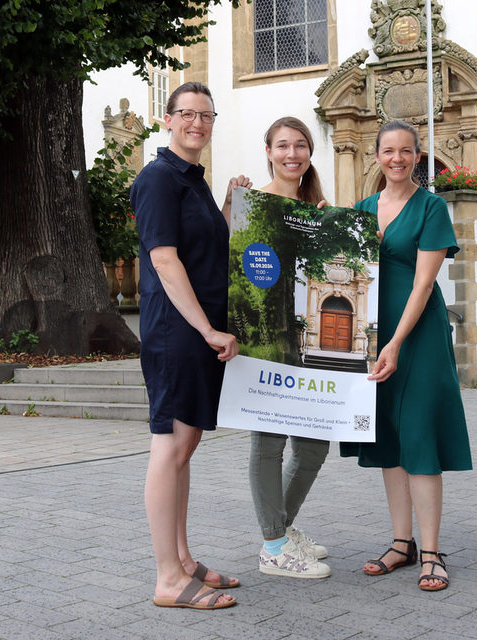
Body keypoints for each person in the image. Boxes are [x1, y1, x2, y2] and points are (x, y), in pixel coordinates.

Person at [130, 81, 251, 610]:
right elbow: (164, 260)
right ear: (167, 119)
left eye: (206, 115)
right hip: (176, 332)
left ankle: (182, 560)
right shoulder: (157, 178)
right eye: (187, 114)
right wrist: (206, 330)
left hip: (197, 329)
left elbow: (206, 250)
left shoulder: (192, 180)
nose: (197, 123)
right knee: (170, 448)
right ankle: (167, 580)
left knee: (186, 449)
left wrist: (227, 204)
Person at [340, 119, 472, 592]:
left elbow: (422, 283)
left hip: (415, 336)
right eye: (387, 151)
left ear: (418, 157)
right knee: (389, 439)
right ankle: (401, 543)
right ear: (376, 156)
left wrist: (394, 343)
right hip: (372, 337)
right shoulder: (360, 209)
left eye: (405, 151)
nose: (396, 158)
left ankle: (432, 551)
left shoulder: (432, 207)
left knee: (419, 435)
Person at [249, 117, 332, 579]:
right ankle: (274, 546)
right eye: (283, 146)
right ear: (268, 150)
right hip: (267, 338)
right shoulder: (253, 205)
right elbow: (237, 269)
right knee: (268, 444)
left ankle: (282, 528)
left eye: (300, 146)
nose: (292, 154)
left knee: (315, 444)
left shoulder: (319, 210)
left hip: (313, 342)